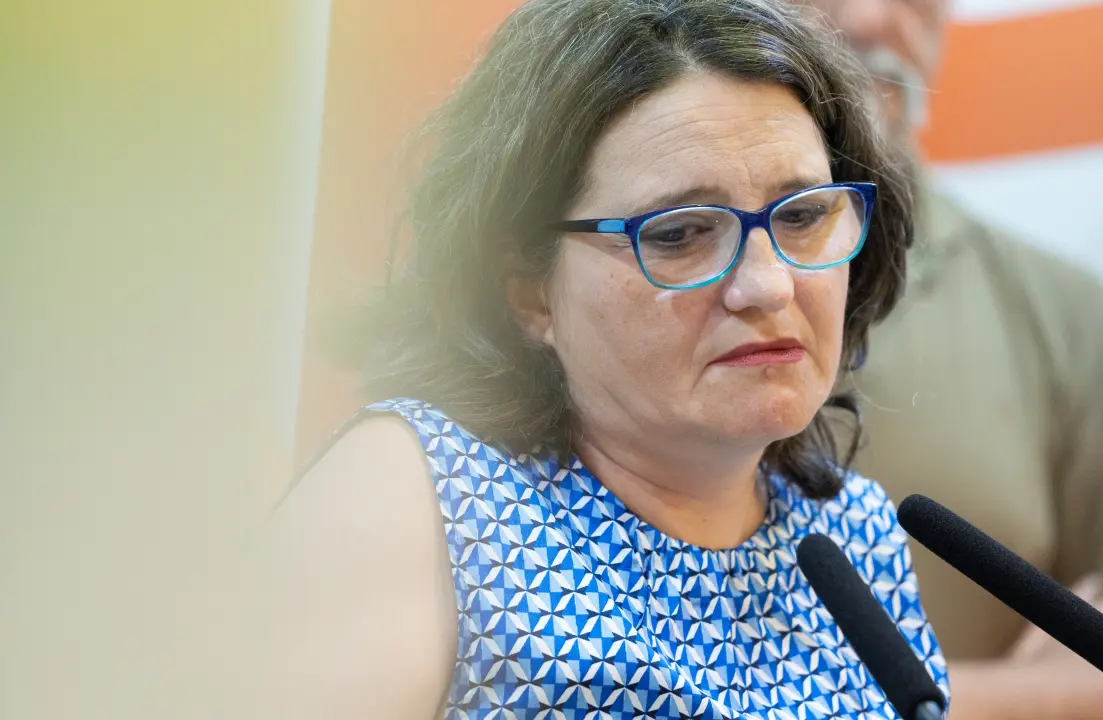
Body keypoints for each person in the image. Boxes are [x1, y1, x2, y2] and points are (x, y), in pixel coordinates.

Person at [253, 0, 951, 717]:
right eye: (679, 234)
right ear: (529, 292)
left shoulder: (854, 530)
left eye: (801, 216)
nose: (768, 285)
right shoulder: (424, 499)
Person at [794, 1, 1103, 719]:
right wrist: (1024, 698)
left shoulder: (1063, 317)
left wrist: (942, 700)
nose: (873, 18)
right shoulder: (634, 298)